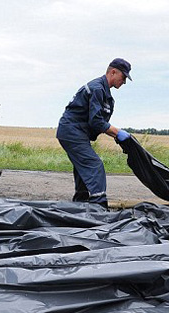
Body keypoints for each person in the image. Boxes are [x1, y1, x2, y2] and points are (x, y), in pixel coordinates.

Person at [56, 58, 133, 208]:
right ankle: (99, 206)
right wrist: (117, 132)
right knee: (94, 165)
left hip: (76, 132)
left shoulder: (105, 93)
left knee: (82, 167)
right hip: (71, 131)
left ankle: (80, 204)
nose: (124, 82)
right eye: (123, 77)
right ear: (113, 72)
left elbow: (98, 124)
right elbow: (96, 122)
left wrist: (118, 136)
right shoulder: (97, 88)